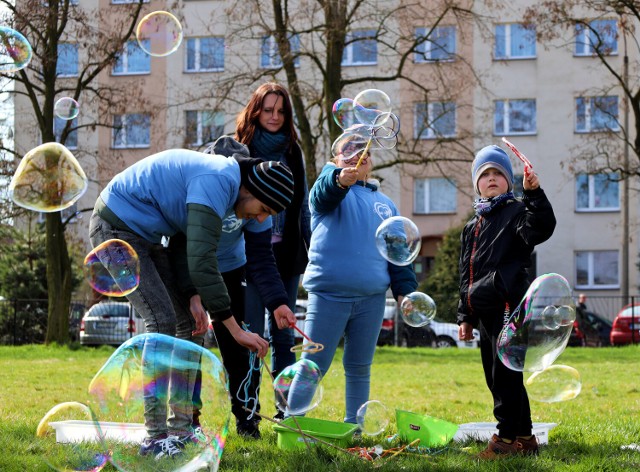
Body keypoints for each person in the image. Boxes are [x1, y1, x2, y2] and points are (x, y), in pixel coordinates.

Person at [88, 147, 292, 457]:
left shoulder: (225, 187)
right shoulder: (218, 180)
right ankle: (155, 437)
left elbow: (185, 240)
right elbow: (202, 260)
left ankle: (181, 432)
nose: (260, 217)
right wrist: (236, 330)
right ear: (251, 189)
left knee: (188, 323)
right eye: (262, 208)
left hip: (150, 237)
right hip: (116, 227)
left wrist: (193, 295)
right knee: (161, 321)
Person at [285, 145, 418, 425]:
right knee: (313, 366)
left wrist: (405, 291)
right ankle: (292, 426)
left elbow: (397, 253)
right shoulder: (328, 186)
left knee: (359, 368)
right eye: (351, 149)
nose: (361, 154)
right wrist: (339, 179)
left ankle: (354, 430)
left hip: (371, 299)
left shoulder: (385, 203)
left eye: (365, 151)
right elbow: (324, 193)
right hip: (328, 296)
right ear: (336, 159)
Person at [191, 136, 297, 439]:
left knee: (238, 347)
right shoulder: (206, 188)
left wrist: (278, 302)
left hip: (229, 268)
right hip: (192, 267)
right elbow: (189, 247)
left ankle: (247, 418)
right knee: (191, 345)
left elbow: (262, 258)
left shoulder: (256, 198)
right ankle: (189, 421)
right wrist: (193, 294)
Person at [457, 145, 556, 459]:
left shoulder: (516, 212)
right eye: (484, 174)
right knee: (499, 376)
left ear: (509, 181)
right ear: (476, 183)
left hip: (508, 307)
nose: (491, 178)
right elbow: (466, 276)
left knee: (504, 378)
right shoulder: (471, 228)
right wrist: (465, 316)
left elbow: (541, 227)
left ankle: (505, 438)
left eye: (498, 173)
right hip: (485, 313)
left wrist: (534, 194)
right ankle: (525, 437)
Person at [237, 83, 312, 415]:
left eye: (281, 111)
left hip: (287, 256)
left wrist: (308, 249)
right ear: (256, 111)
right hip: (249, 256)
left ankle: (286, 413)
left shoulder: (294, 151)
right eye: (268, 110)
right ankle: (249, 413)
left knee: (283, 337)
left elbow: (304, 206)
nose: (274, 116)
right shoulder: (241, 149)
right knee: (252, 335)